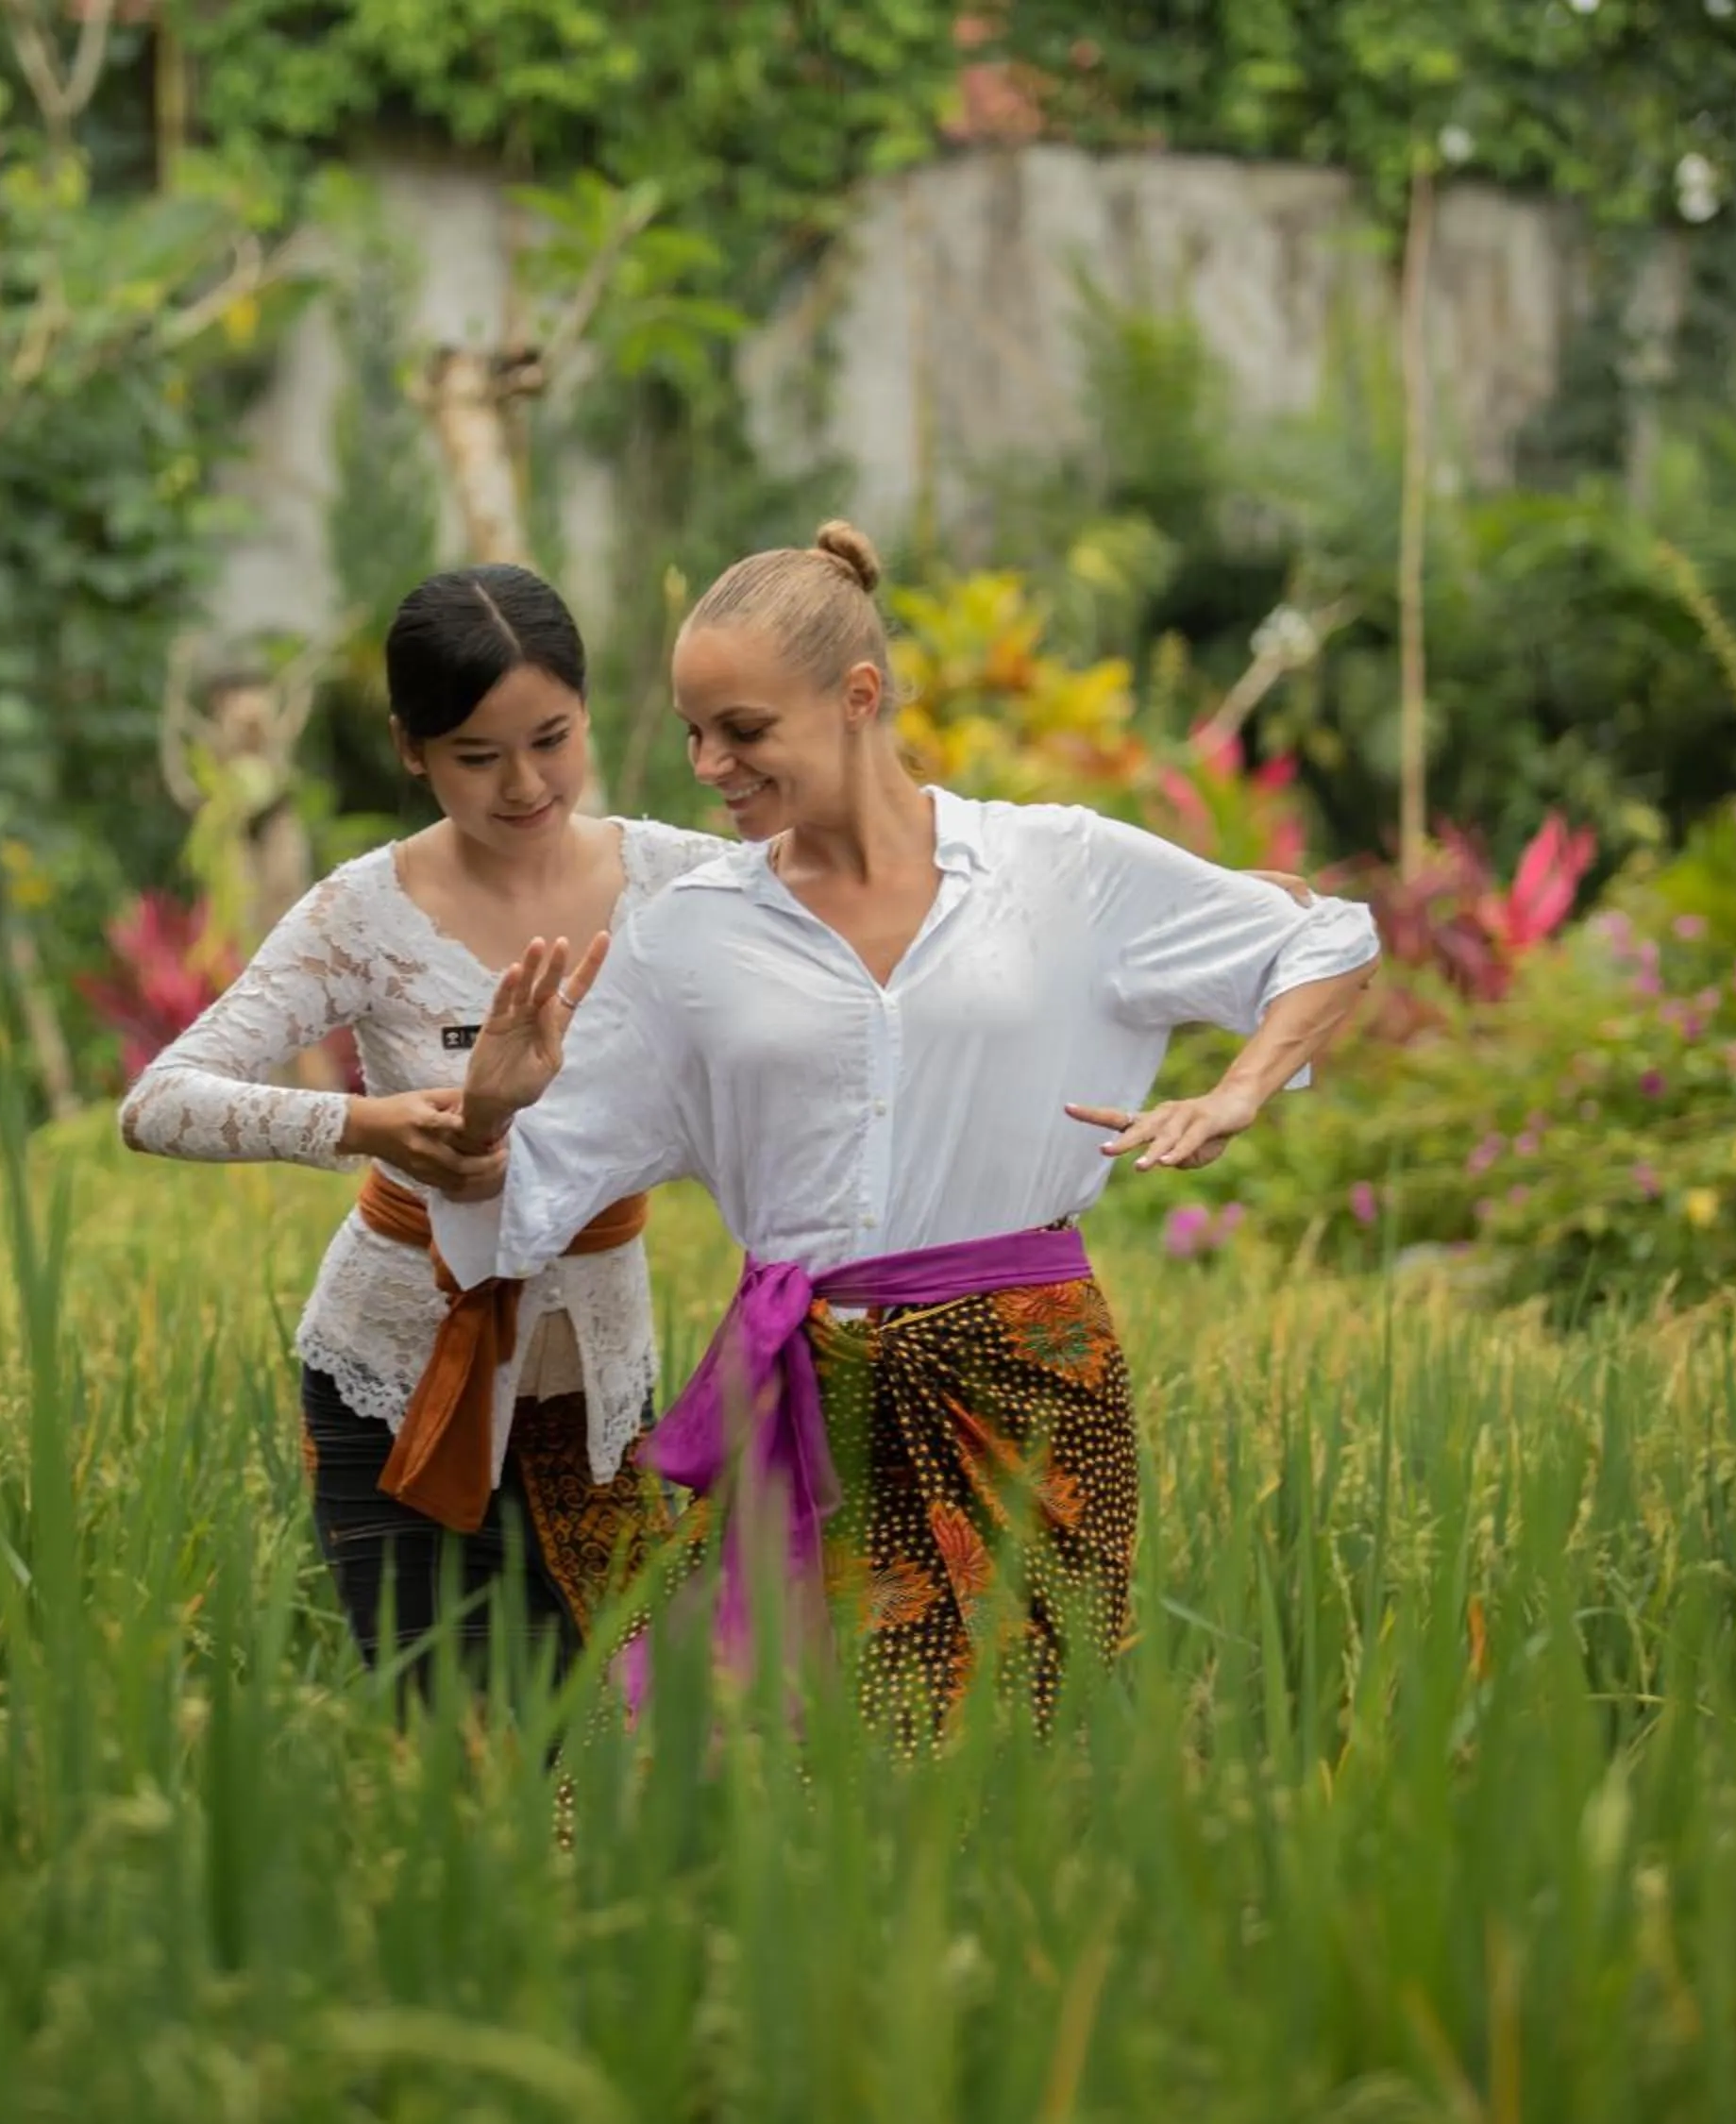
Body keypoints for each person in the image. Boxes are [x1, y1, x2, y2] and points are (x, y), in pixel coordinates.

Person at [435, 521, 1383, 1755]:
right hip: (810, 1389)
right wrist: (492, 1107)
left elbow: (1324, 940)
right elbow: (523, 1199)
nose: (709, 761)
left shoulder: (1057, 867)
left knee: (1007, 1770)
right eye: (692, 729)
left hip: (1030, 1384)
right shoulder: (686, 937)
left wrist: (1239, 1089)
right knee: (708, 1762)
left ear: (858, 698)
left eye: (744, 728)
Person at [118, 564, 733, 1698]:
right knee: (451, 1751)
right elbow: (159, 1103)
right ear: (411, 749)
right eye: (475, 756)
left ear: (588, 710)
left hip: (598, 1403)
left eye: (551, 739)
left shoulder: (691, 885)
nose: (523, 784)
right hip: (392, 1394)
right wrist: (369, 1123)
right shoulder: (364, 911)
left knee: (615, 1747)